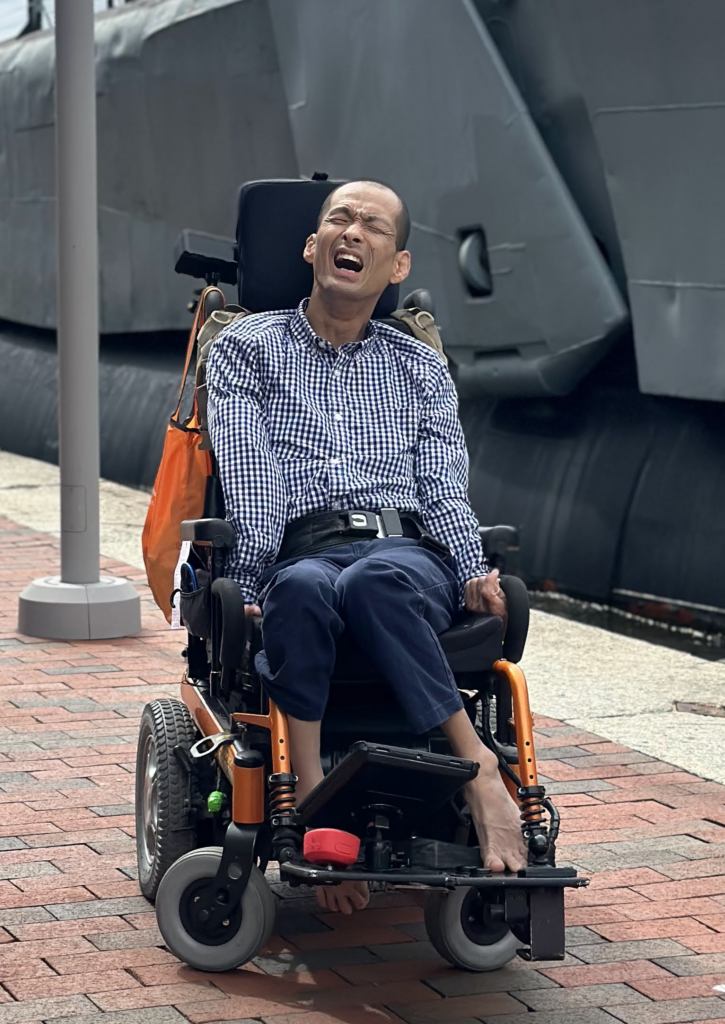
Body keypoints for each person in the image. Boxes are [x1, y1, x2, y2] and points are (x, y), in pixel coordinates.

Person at [205, 180, 525, 915]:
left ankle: (477, 772)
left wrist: (470, 566)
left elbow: (443, 485)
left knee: (378, 579)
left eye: (371, 226)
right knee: (305, 590)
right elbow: (251, 476)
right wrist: (250, 578)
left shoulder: (418, 366)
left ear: (398, 264)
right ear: (312, 248)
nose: (352, 233)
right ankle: (315, 805)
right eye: (338, 221)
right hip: (301, 547)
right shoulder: (246, 348)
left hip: (401, 552)